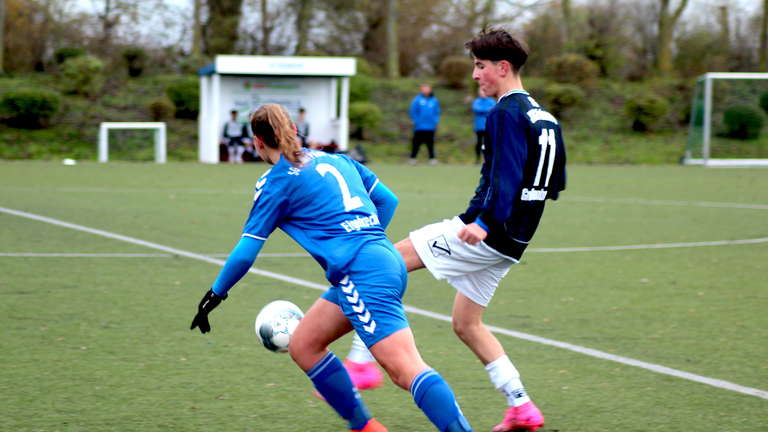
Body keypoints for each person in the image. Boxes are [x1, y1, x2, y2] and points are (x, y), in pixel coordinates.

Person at [190, 103, 474, 432]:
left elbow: (245, 253)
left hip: (361, 274)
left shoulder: (276, 182)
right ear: (294, 130)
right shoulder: (337, 159)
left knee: (405, 369)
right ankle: (365, 428)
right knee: (304, 345)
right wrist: (364, 239)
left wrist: (216, 294)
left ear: (257, 143)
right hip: (383, 258)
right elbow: (388, 200)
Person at [343, 27, 566, 432]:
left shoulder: (505, 112)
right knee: (466, 323)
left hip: (489, 231)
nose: (476, 75)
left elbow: (507, 176)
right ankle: (521, 405)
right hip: (514, 241)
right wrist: (511, 218)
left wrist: (483, 221)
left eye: (480, 67)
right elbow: (553, 183)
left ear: (502, 67)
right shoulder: (545, 117)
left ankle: (360, 363)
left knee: (382, 263)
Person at [409, 83, 441, 164]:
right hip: (419, 126)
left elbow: (436, 112)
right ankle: (413, 158)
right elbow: (413, 111)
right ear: (421, 90)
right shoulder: (417, 100)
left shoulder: (434, 100)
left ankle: (432, 158)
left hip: (430, 126)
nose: (426, 90)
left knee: (430, 143)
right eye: (424, 88)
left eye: (427, 88)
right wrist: (415, 120)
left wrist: (435, 121)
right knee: (416, 143)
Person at [472, 87, 496, 164]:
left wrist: (484, 110)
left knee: (489, 143)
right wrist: (487, 110)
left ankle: (488, 159)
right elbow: (476, 109)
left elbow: (493, 109)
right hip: (479, 126)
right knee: (479, 143)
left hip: (489, 126)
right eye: (481, 91)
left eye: (484, 91)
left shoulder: (491, 101)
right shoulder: (477, 101)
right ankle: (478, 159)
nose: (482, 93)